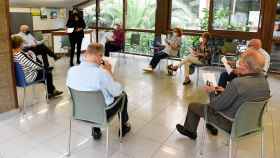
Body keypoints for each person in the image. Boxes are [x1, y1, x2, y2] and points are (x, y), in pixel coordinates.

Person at [176, 49, 270, 140]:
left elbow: (215, 106)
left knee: (193, 106)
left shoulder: (238, 83)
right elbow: (245, 97)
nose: (237, 66)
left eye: (239, 63)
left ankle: (190, 131)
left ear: (245, 66)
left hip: (232, 124)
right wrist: (226, 91)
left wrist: (211, 91)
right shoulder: (264, 83)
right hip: (251, 124)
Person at [66, 43, 131, 140]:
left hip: (79, 112)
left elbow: (70, 94)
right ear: (100, 57)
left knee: (90, 98)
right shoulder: (101, 73)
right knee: (123, 95)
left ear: (86, 54)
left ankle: (96, 130)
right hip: (101, 114)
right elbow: (117, 92)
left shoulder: (71, 71)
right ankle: (124, 126)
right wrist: (109, 72)